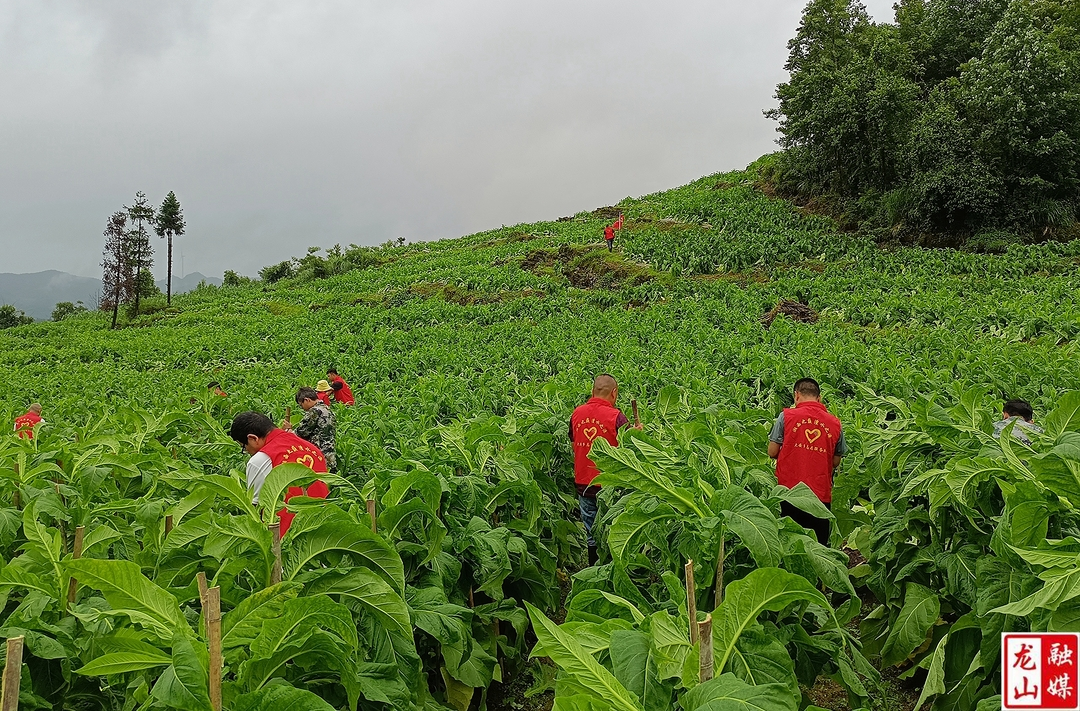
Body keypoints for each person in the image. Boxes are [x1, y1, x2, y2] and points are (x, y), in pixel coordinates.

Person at [767, 378, 847, 546]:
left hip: (789, 492)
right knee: (818, 547)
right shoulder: (835, 424)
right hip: (819, 495)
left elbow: (772, 451)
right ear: (819, 398)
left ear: (796, 395)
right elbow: (835, 461)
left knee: (789, 544)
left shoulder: (786, 416)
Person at [570, 374, 639, 565]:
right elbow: (629, 449)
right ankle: (613, 568)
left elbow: (574, 444)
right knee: (613, 528)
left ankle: (594, 568)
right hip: (611, 485)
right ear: (614, 393)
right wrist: (637, 434)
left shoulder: (577, 414)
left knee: (592, 531)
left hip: (584, 483)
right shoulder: (616, 417)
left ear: (593, 391)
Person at [229, 411, 330, 536]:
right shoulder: (312, 448)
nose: (247, 451)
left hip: (288, 537)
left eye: (244, 447)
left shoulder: (261, 459)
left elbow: (255, 511)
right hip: (323, 529)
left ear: (253, 438)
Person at [284, 387, 337, 473]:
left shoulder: (314, 411)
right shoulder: (327, 409)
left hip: (318, 454)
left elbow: (301, 433)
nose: (302, 408)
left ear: (307, 400)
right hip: (330, 454)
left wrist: (289, 430)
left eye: (301, 405)